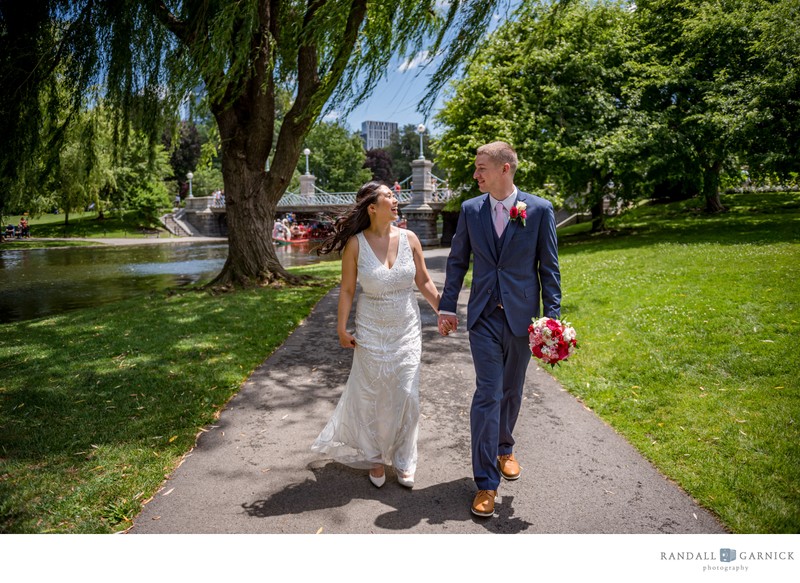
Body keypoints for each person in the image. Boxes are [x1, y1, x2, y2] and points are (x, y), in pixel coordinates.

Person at [437, 141, 561, 517]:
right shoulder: (471, 210)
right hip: (483, 319)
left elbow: (549, 269)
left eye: (481, 168)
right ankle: (485, 482)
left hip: (523, 318)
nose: (475, 175)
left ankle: (505, 447)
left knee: (512, 391)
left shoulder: (538, 210)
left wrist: (551, 320)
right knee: (487, 393)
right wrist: (447, 305)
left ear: (505, 169)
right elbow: (458, 261)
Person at [311, 181, 441, 488]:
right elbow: (346, 289)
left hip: (406, 329)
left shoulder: (409, 238)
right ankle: (376, 457)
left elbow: (423, 280)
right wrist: (341, 328)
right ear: (372, 207)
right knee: (375, 395)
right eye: (389, 197)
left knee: (407, 395)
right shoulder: (356, 244)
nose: (396, 201)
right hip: (371, 329)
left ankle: (405, 459)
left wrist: (442, 312)